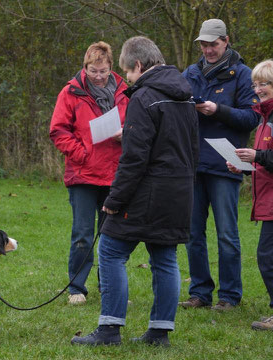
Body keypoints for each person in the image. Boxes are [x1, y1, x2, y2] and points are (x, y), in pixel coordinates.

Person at [71, 36, 198, 347]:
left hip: (147, 192)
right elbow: (188, 149)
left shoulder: (143, 97)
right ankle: (159, 333)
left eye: (127, 71)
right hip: (179, 191)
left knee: (111, 251)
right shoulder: (186, 97)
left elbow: (135, 158)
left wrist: (115, 200)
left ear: (139, 65)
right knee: (165, 258)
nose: (126, 77)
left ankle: (109, 329)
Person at [179, 19, 259, 311]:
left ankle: (229, 296)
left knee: (227, 234)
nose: (208, 50)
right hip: (194, 163)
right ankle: (199, 292)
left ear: (226, 40)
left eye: (213, 44)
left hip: (228, 164)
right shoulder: (190, 72)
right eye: (203, 44)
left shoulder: (243, 75)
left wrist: (218, 110)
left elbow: (252, 118)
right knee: (192, 233)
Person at [50, 41, 129, 305]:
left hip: (115, 173)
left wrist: (126, 135)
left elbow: (138, 123)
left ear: (110, 68)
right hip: (83, 175)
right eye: (94, 71)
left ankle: (110, 288)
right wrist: (81, 153)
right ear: (85, 67)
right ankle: (76, 288)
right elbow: (58, 131)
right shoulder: (70, 92)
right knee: (83, 234)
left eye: (103, 71)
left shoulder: (125, 90)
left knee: (112, 235)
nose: (98, 76)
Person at [227, 59, 273, 330]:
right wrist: (245, 167)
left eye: (265, 83)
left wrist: (257, 156)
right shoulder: (263, 117)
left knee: (267, 257)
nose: (259, 89)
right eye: (255, 84)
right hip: (267, 198)